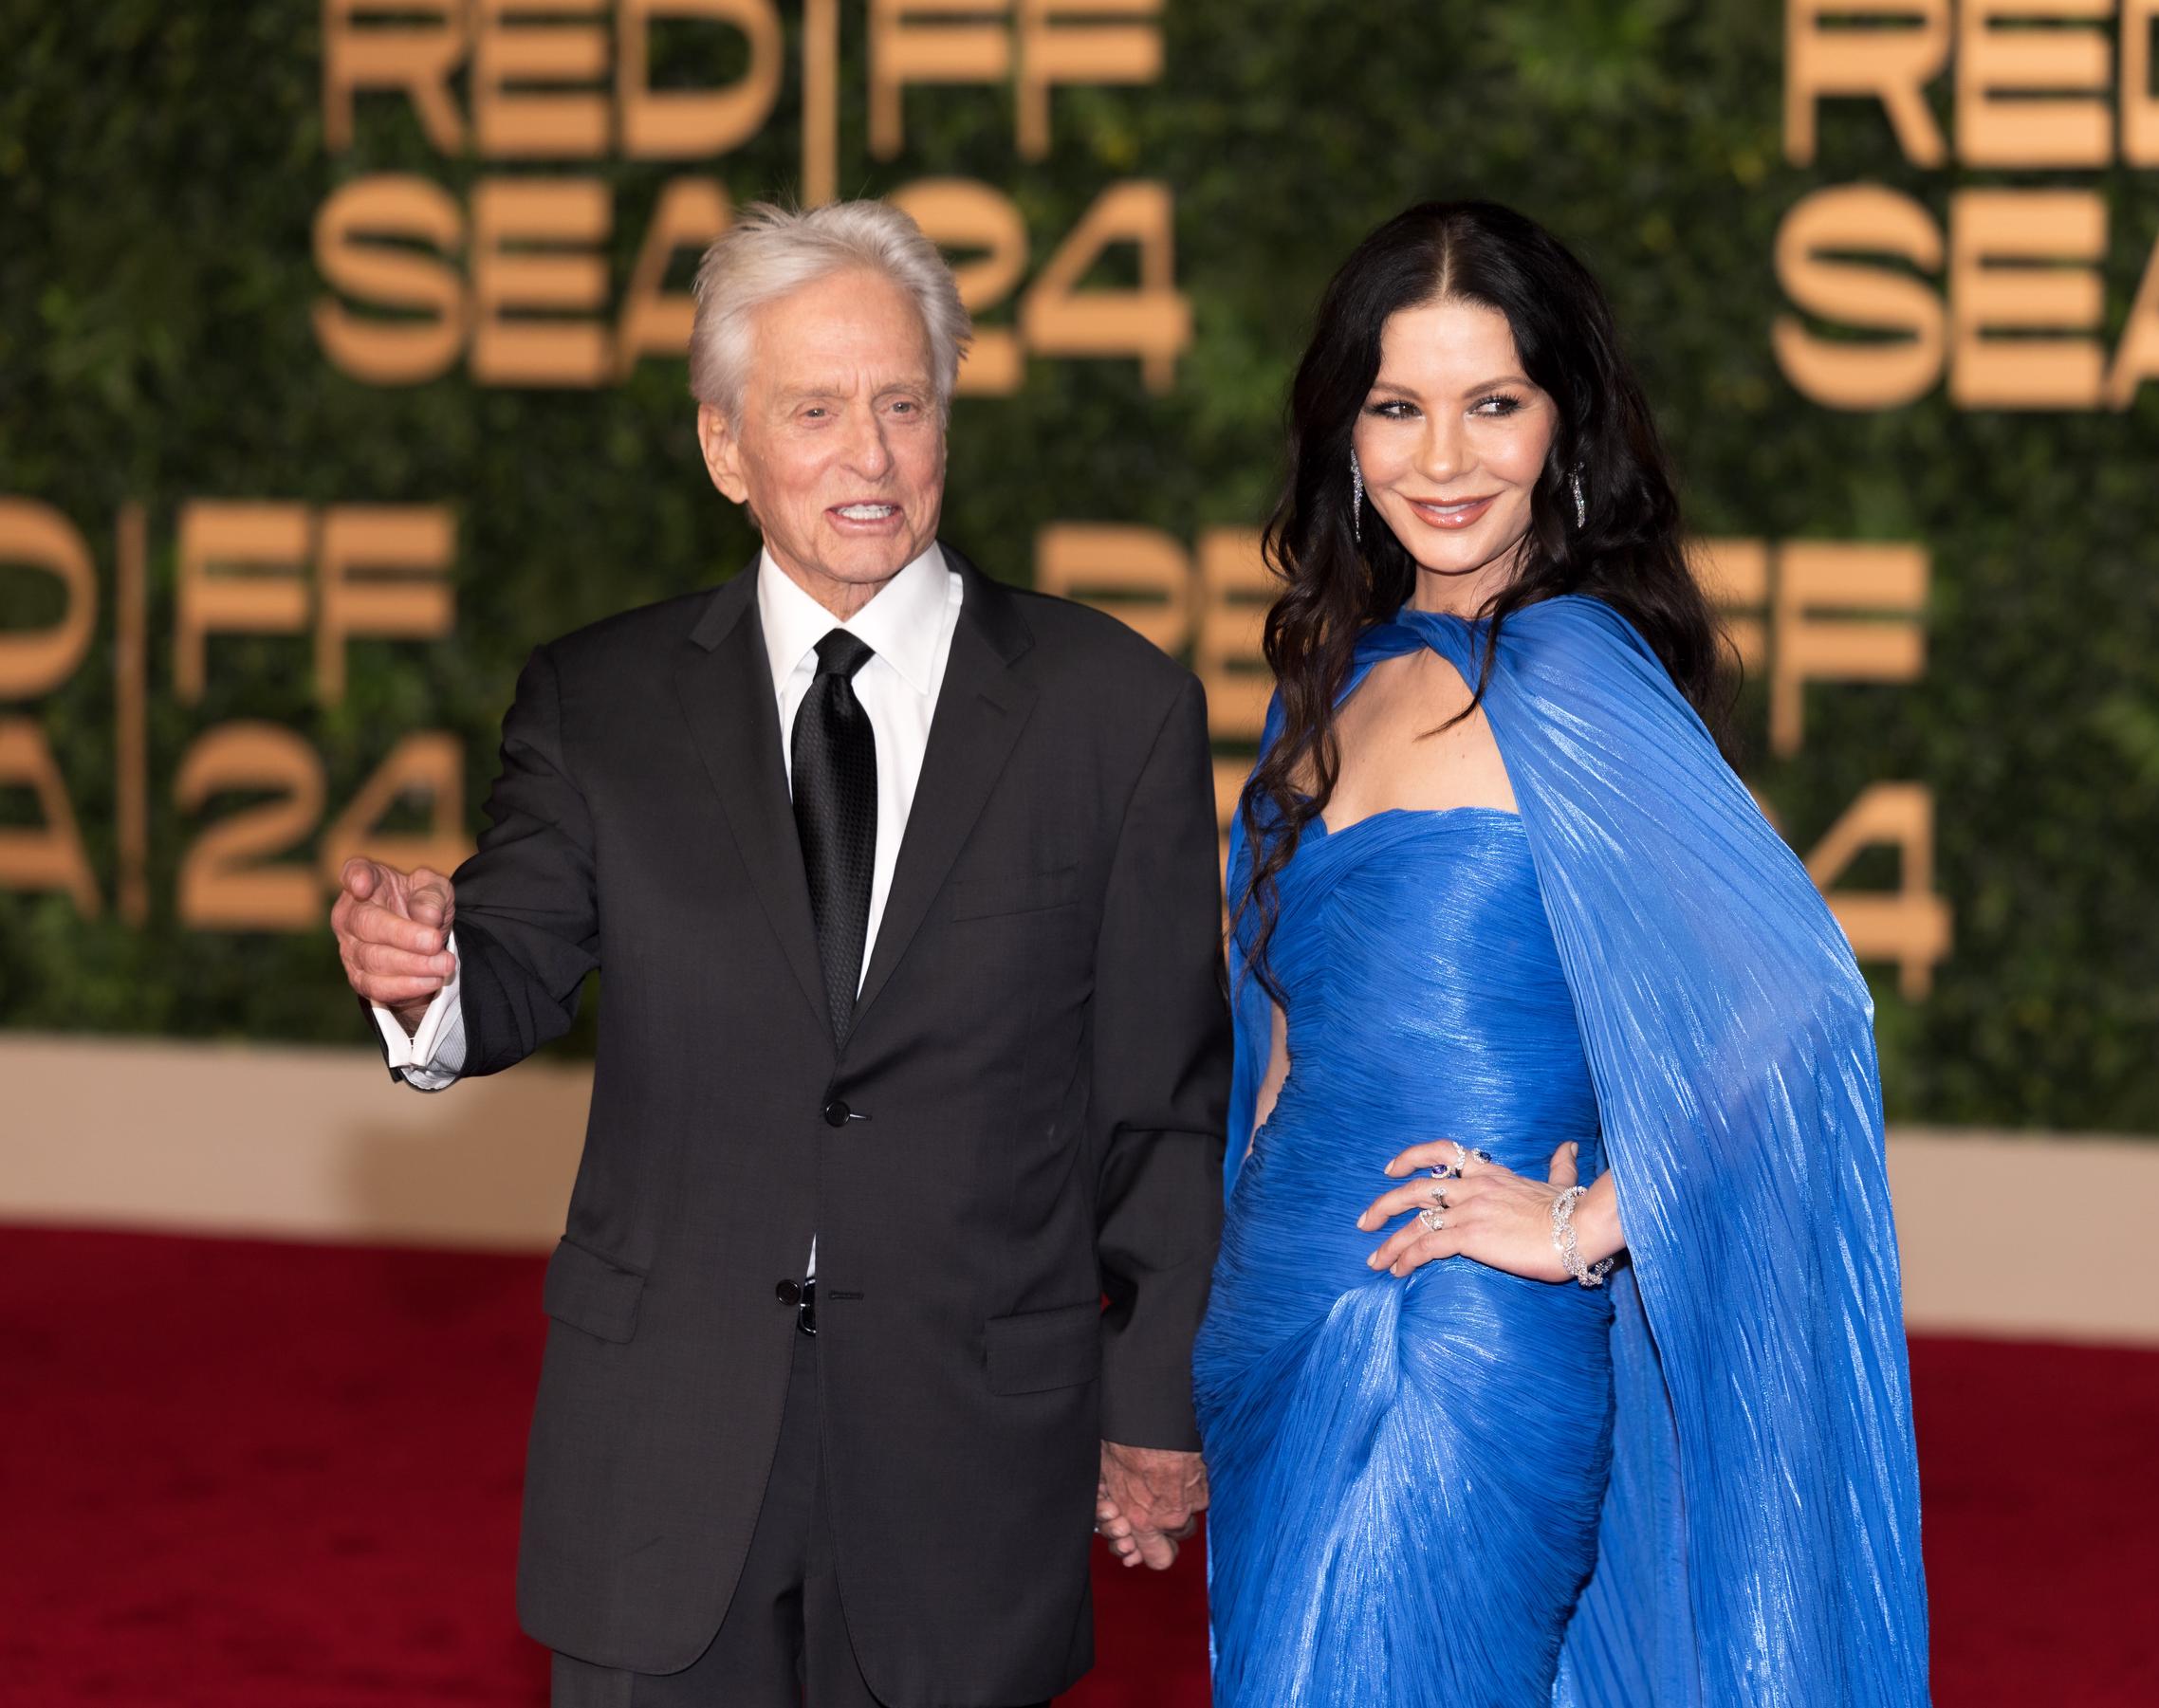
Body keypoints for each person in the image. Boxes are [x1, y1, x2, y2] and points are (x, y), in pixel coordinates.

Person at [328, 199, 1229, 1708]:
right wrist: (431, 976)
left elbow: (1161, 1095)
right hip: (665, 1446)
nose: (868, 457)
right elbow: (519, 952)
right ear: (725, 447)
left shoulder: (1109, 708)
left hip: (965, 1451)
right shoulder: (600, 702)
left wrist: (1154, 1410)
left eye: (903, 402)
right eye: (814, 410)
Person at [1181, 202, 1932, 1705]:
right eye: (1398, 406)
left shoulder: (1572, 671)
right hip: (1277, 1326)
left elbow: (1798, 1016)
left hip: (1456, 1340)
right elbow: (1275, 1050)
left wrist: (1583, 1224)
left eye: (1493, 405)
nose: (1443, 459)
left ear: (1563, 428)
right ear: (1344, 430)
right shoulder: (1330, 689)